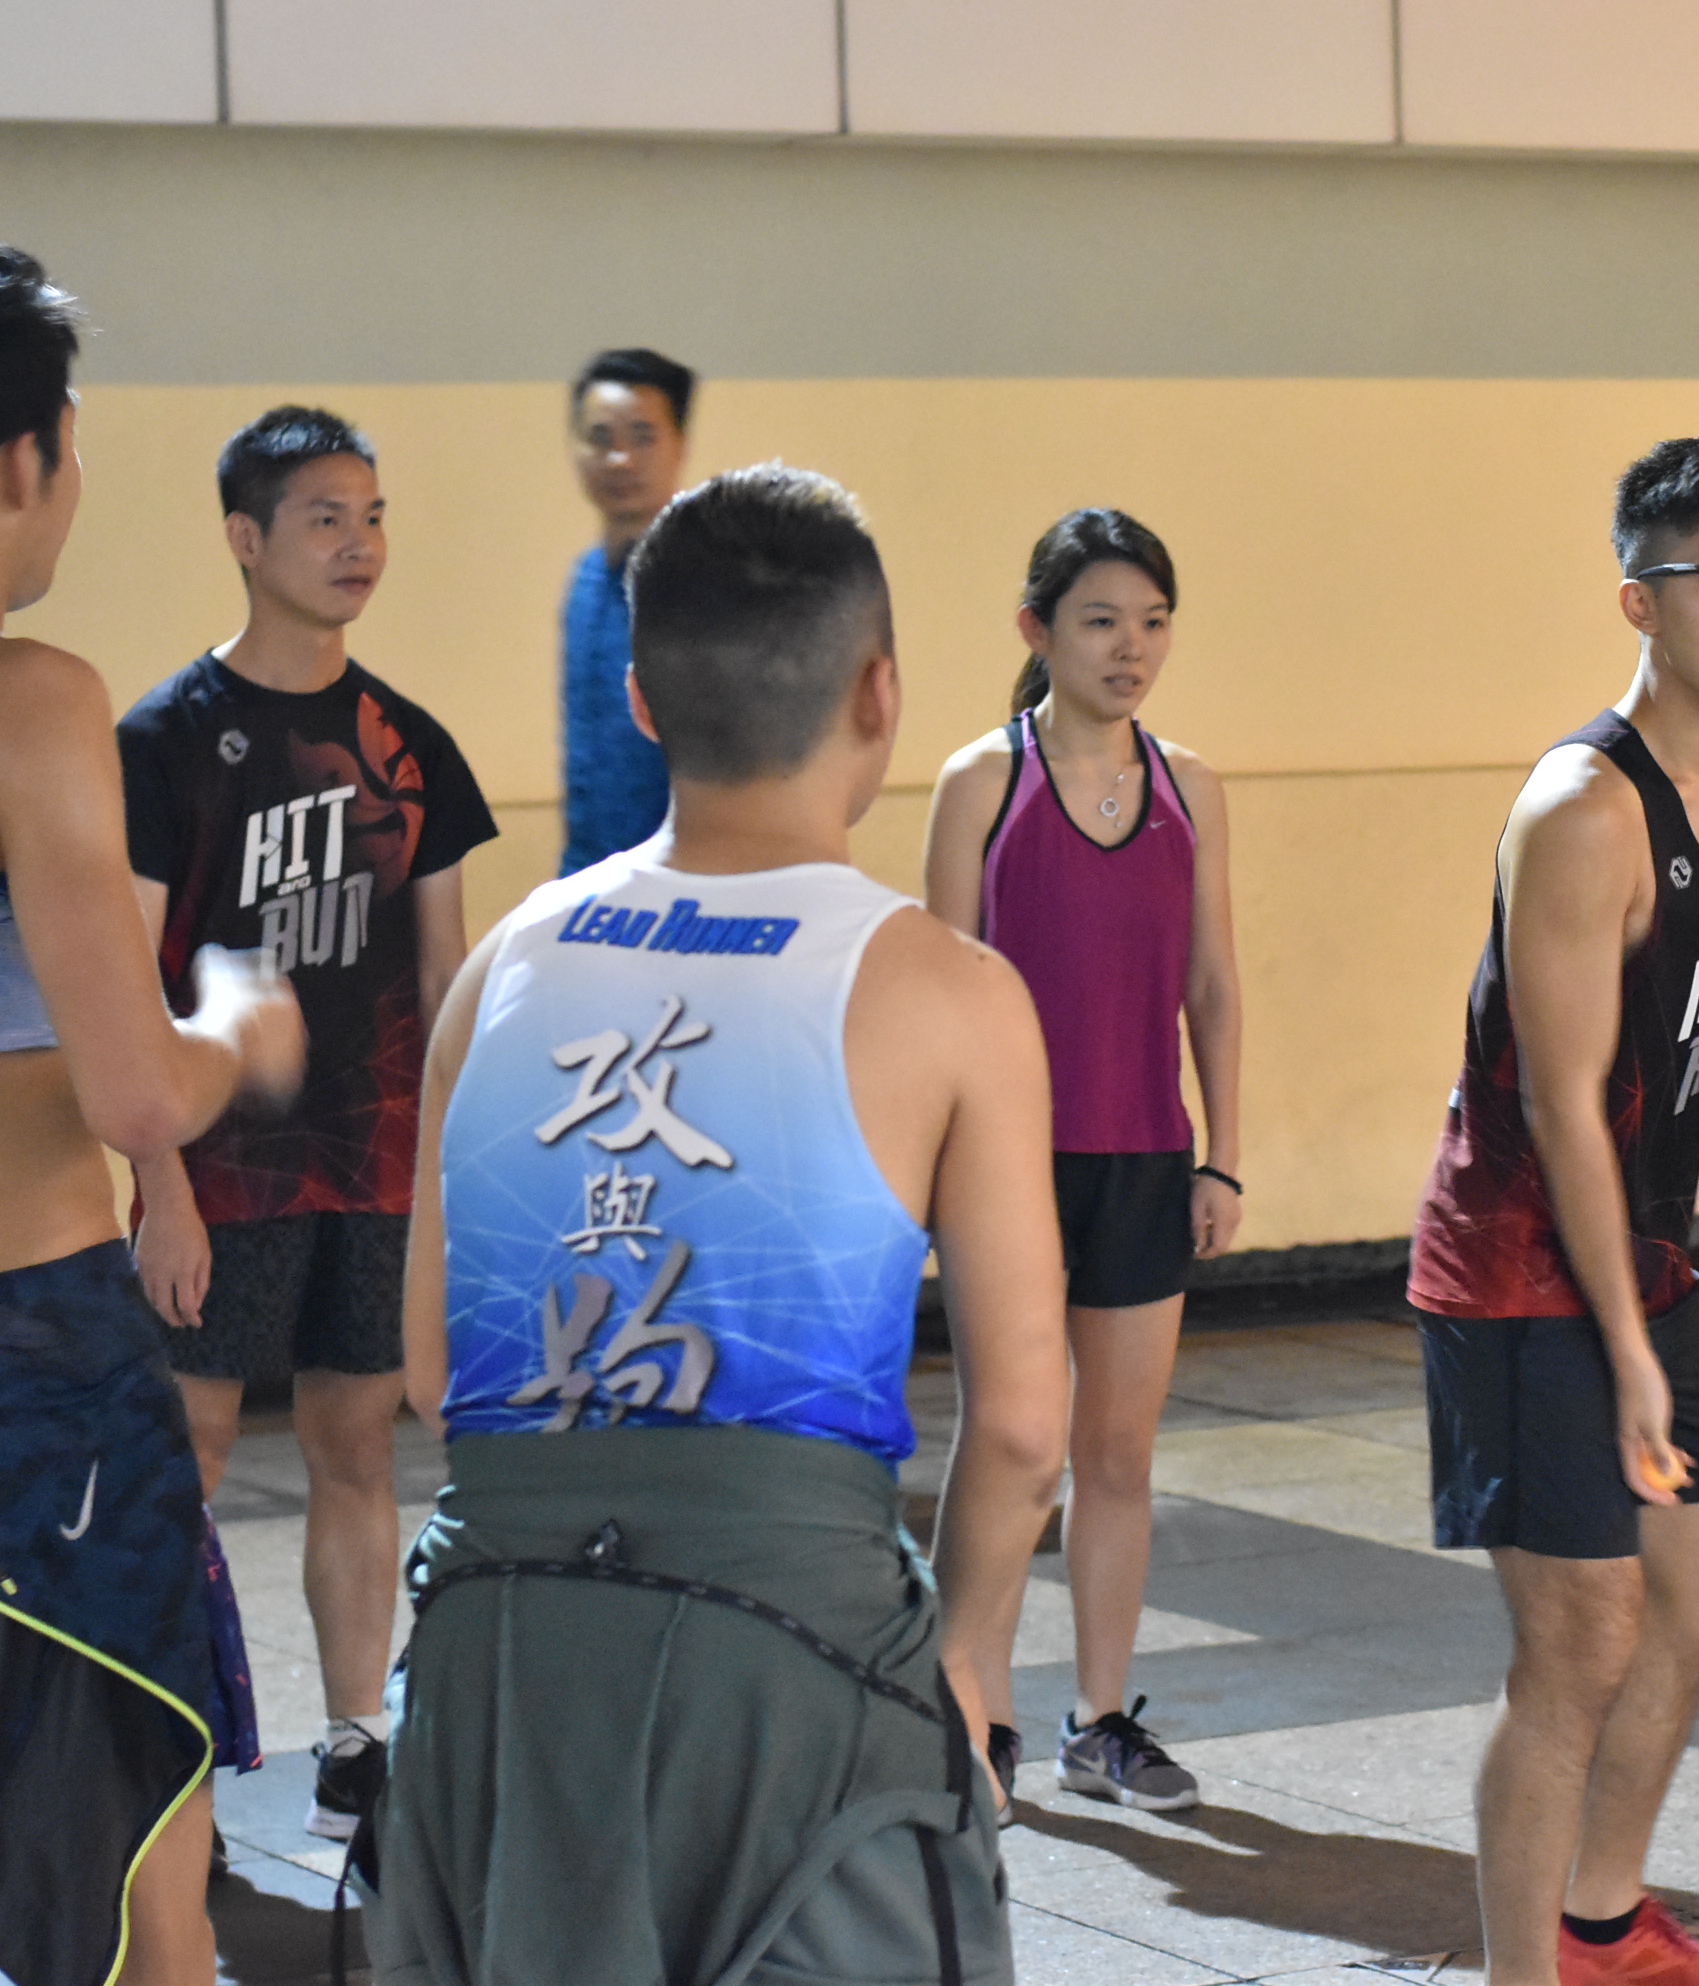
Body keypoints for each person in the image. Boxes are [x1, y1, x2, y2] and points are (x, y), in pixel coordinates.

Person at [369, 463, 1066, 1982]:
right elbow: (1023, 1424)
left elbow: (432, 1371)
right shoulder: (950, 990)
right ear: (879, 693)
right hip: (797, 1653)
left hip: (499, 1650)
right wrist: (958, 1660)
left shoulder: (503, 966)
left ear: (639, 702)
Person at [1406, 436, 1699, 1986]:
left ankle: (1599, 1924)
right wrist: (1632, 1353)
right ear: (1642, 600)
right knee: (1576, 1645)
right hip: (1517, 1272)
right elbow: (1562, 1107)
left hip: (1637, 1251)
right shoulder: (1581, 809)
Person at [115, 404, 494, 1843]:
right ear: (244, 536)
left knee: (358, 1445)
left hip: (377, 1161)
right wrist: (160, 1188)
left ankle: (354, 1743)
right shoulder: (162, 740)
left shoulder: (413, 744)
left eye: (373, 514)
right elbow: (129, 992)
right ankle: (166, 1758)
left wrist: (458, 1185)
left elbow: (448, 987)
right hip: (220, 1171)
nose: (359, 543)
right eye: (326, 516)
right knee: (188, 1458)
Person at [0, 247, 303, 1986]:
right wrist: (235, 1028)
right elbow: (132, 1088)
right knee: (129, 1875)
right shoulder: (32, 701)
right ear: (22, 460)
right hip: (36, 1355)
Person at [922, 507, 1243, 1818]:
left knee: (1117, 1452)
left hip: (1145, 1157)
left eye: (1153, 622)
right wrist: (932, 1170)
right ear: (1037, 630)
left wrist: (1225, 1157)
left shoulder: (1190, 787)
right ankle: (974, 1711)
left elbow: (1212, 985)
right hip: (1004, 1167)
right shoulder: (979, 783)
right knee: (1012, 1443)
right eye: (1102, 620)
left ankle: (1100, 1720)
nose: (1132, 647)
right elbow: (938, 998)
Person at [558, 348, 691, 875]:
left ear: (679, 444)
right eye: (600, 437)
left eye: (642, 436)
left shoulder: (704, 585)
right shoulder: (585, 580)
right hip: (589, 876)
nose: (620, 459)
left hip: (678, 886)